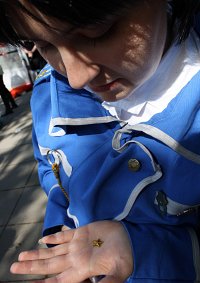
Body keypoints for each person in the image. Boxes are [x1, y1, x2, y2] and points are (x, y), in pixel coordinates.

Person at [0, 0, 199, 282]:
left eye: (97, 34)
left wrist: (144, 252)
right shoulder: (49, 92)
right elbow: (52, 169)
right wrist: (62, 234)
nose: (75, 77)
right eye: (45, 45)